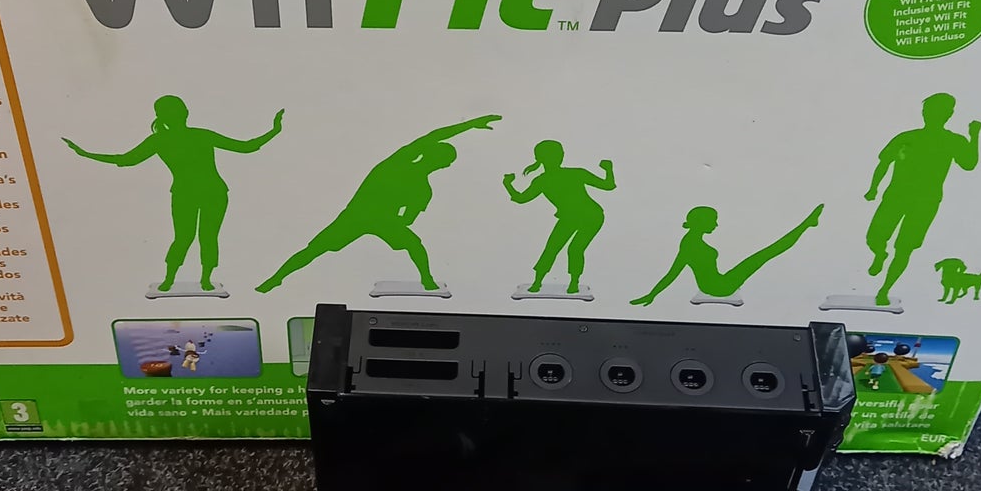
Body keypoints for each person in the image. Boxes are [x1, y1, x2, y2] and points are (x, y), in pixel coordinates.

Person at [256, 115, 499, 293]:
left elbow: (408, 219)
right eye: (444, 161)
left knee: (413, 245)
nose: (443, 165)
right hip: (358, 216)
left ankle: (427, 280)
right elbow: (432, 137)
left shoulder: (418, 185)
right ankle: (276, 279)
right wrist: (469, 125)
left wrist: (396, 223)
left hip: (375, 219)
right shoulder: (402, 166)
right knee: (315, 249)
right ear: (438, 161)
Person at [64, 97, 284, 292]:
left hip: (210, 193)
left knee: (201, 237)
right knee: (191, 237)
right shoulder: (164, 140)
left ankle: (200, 279)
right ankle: (174, 279)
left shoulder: (190, 136)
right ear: (180, 114)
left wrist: (275, 130)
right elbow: (125, 160)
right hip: (191, 193)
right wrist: (85, 153)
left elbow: (246, 147)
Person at [864, 94, 981, 307]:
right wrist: (873, 188)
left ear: (949, 115)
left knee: (904, 247)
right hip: (896, 196)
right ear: (924, 113)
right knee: (874, 237)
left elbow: (969, 163)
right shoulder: (907, 137)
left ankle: (885, 289)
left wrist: (974, 136)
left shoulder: (952, 141)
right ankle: (880, 254)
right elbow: (884, 162)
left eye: (939, 111)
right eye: (929, 110)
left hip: (926, 201)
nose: (932, 115)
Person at [632, 202, 822, 306]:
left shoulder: (690, 240)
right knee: (766, 254)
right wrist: (652, 294)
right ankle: (806, 224)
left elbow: (673, 272)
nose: (716, 224)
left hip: (719, 282)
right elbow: (673, 273)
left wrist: (652, 294)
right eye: (713, 220)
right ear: (701, 222)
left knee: (765, 254)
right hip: (720, 287)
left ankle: (806, 224)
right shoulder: (689, 244)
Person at [503, 140, 615, 295]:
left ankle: (574, 283)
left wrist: (609, 169)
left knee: (575, 249)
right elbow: (521, 199)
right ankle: (537, 282)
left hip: (591, 216)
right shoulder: (542, 181)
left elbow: (608, 185)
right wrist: (507, 184)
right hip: (569, 217)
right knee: (552, 248)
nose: (559, 157)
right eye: (555, 155)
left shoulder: (575, 174)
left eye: (558, 154)